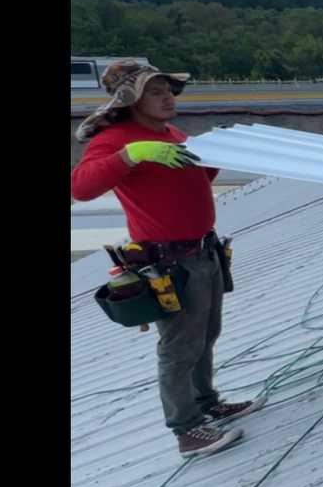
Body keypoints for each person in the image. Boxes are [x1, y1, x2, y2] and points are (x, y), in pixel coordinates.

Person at [72, 60, 265, 458]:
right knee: (178, 346)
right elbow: (81, 188)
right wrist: (131, 155)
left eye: (168, 90)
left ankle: (206, 403)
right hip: (170, 261)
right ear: (132, 99)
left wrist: (213, 153)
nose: (168, 97)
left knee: (205, 336)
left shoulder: (170, 133)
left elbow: (190, 179)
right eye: (156, 92)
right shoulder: (117, 139)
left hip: (202, 251)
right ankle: (187, 430)